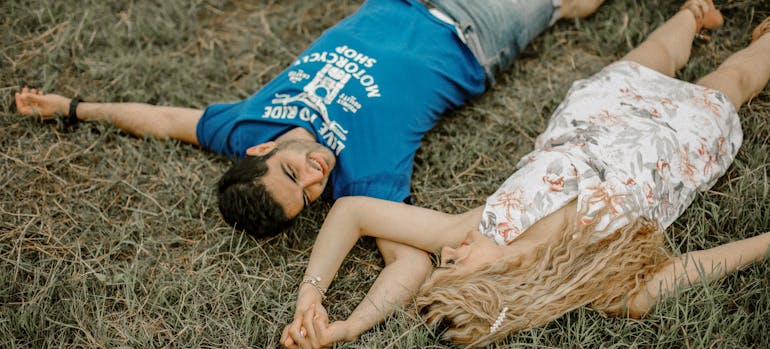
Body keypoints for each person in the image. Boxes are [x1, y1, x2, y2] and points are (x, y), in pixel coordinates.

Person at [280, 1, 770, 348]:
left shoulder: (482, 227)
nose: (446, 253)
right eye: (452, 265)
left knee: (652, 58)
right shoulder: (598, 283)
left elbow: (352, 211)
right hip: (677, 147)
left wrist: (323, 304)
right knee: (732, 82)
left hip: (598, 115)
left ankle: (692, 15)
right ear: (494, 282)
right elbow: (701, 264)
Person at [14, 0, 603, 239]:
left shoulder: (239, 129)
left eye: (295, 174)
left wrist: (71, 107)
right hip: (473, 28)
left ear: (257, 153)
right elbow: (402, 253)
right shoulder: (362, 178)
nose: (317, 176)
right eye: (311, 194)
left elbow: (165, 119)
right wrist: (336, 317)